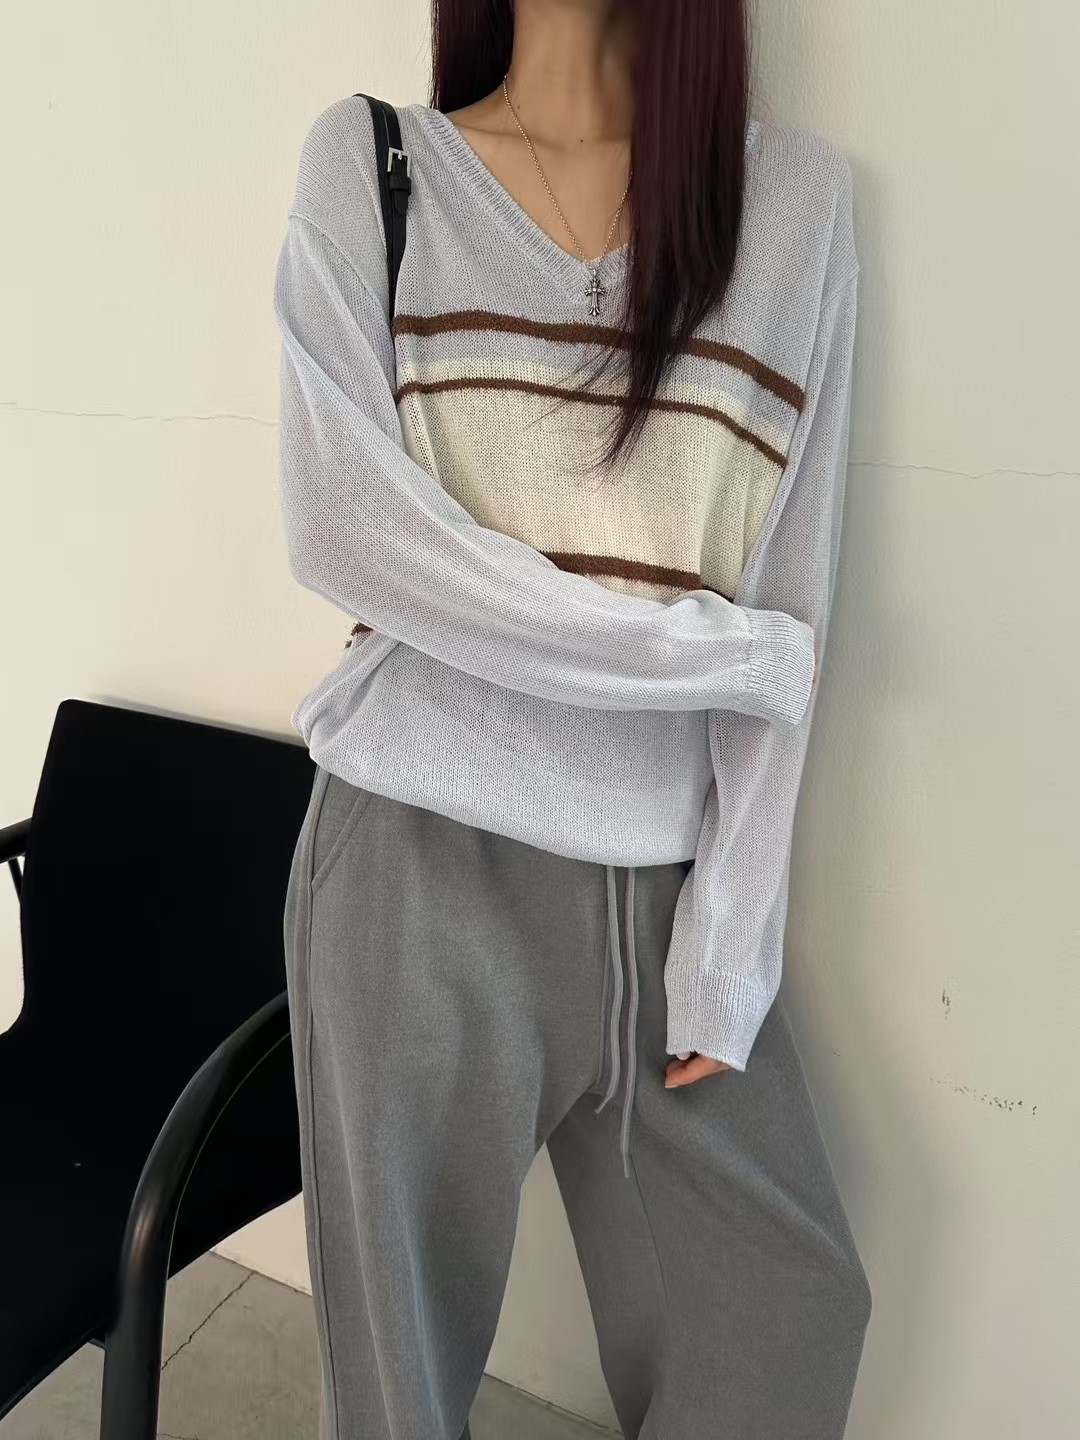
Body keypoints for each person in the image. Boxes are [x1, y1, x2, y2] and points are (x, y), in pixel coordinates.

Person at [274, 0, 871, 1435]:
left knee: (790, 1309)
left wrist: (730, 942)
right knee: (400, 1392)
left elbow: (791, 595)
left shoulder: (792, 204)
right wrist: (711, 655)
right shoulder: (377, 165)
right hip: (416, 865)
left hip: (665, 879)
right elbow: (346, 533)